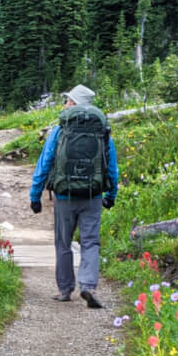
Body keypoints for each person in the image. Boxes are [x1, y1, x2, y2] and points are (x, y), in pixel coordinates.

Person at [29, 84, 119, 309]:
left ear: (75, 103)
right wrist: (112, 193)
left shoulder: (61, 130)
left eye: (68, 100)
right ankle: (88, 285)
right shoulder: (101, 129)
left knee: (63, 242)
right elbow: (112, 166)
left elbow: (45, 162)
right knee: (90, 242)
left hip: (64, 196)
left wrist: (35, 195)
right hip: (93, 195)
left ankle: (65, 290)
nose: (65, 104)